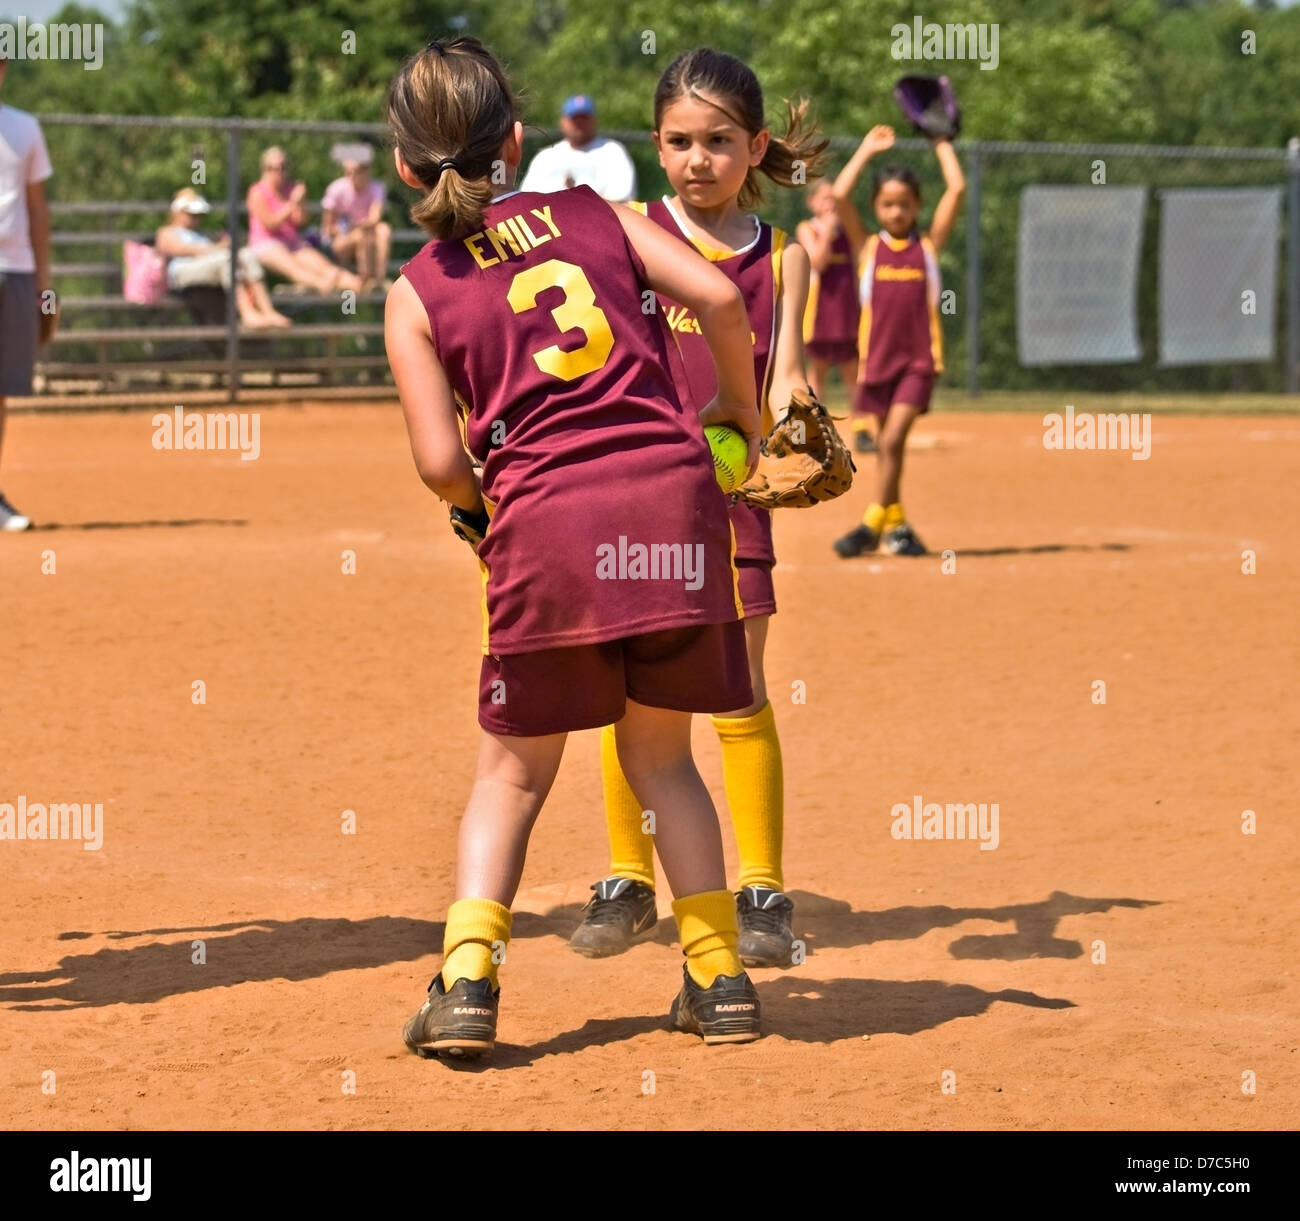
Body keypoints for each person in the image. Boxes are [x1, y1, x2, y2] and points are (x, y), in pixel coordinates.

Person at [385, 36, 765, 1059]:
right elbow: (723, 299)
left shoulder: (417, 290)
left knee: (511, 777)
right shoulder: (598, 214)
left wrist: (482, 512)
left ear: (404, 164)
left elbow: (435, 461)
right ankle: (718, 977)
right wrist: (740, 412)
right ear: (515, 140)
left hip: (547, 528)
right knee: (662, 760)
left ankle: (467, 983)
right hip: (674, 507)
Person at [568, 47, 826, 970]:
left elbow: (783, 378)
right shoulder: (627, 231)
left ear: (757, 148)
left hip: (730, 501)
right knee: (634, 696)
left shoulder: (783, 258)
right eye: (679, 141)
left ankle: (761, 887)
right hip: (634, 493)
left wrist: (796, 430)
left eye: (720, 141)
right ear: (656, 145)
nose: (698, 160)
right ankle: (627, 878)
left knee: (741, 689)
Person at [831, 124, 964, 558]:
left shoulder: (927, 247)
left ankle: (871, 523)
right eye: (887, 204)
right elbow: (837, 196)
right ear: (876, 207)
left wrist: (941, 142)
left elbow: (957, 188)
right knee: (890, 449)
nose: (896, 212)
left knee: (890, 442)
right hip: (877, 362)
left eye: (904, 204)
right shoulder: (868, 247)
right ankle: (898, 525)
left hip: (918, 363)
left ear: (917, 206)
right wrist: (866, 148)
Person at [0, 52, 52, 532]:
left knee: (1, 389)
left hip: (14, 270)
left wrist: (44, 288)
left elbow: (37, 210)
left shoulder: (24, 127)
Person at [797, 180, 872, 452]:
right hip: (819, 313)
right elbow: (818, 261)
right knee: (817, 373)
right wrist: (828, 229)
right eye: (824, 199)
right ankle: (815, 431)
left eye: (834, 199)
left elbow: (861, 263)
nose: (830, 204)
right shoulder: (808, 228)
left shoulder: (850, 232)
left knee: (854, 372)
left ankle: (862, 430)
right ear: (812, 203)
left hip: (847, 308)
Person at [155, 189, 290, 328]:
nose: (196, 218)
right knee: (227, 259)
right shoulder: (167, 232)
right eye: (191, 214)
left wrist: (223, 246)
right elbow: (182, 250)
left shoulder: (201, 235)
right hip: (182, 273)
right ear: (178, 212)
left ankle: (268, 311)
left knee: (247, 255)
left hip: (208, 267)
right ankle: (247, 314)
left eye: (198, 215)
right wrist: (218, 247)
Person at [246, 146, 363, 296]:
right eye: (273, 168)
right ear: (264, 169)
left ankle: (360, 285)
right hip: (266, 244)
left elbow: (301, 221)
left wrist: (301, 202)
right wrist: (293, 203)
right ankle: (325, 287)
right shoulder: (257, 191)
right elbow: (270, 224)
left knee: (325, 267)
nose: (279, 172)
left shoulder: (291, 189)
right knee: (294, 267)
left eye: (283, 167)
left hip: (293, 244)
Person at [519, 93, 636, 202]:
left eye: (584, 119)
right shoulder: (546, 157)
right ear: (563, 122)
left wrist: (577, 197)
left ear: (594, 121)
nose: (580, 124)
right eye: (575, 119)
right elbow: (527, 200)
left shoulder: (612, 152)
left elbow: (622, 200)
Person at [321, 143, 391, 293]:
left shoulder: (376, 188)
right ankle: (366, 279)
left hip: (365, 235)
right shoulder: (337, 189)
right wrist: (350, 229)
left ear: (366, 171)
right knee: (362, 235)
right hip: (341, 241)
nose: (352, 175)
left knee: (384, 230)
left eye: (357, 171)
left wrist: (356, 225)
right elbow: (328, 228)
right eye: (348, 171)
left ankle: (379, 278)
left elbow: (375, 218)